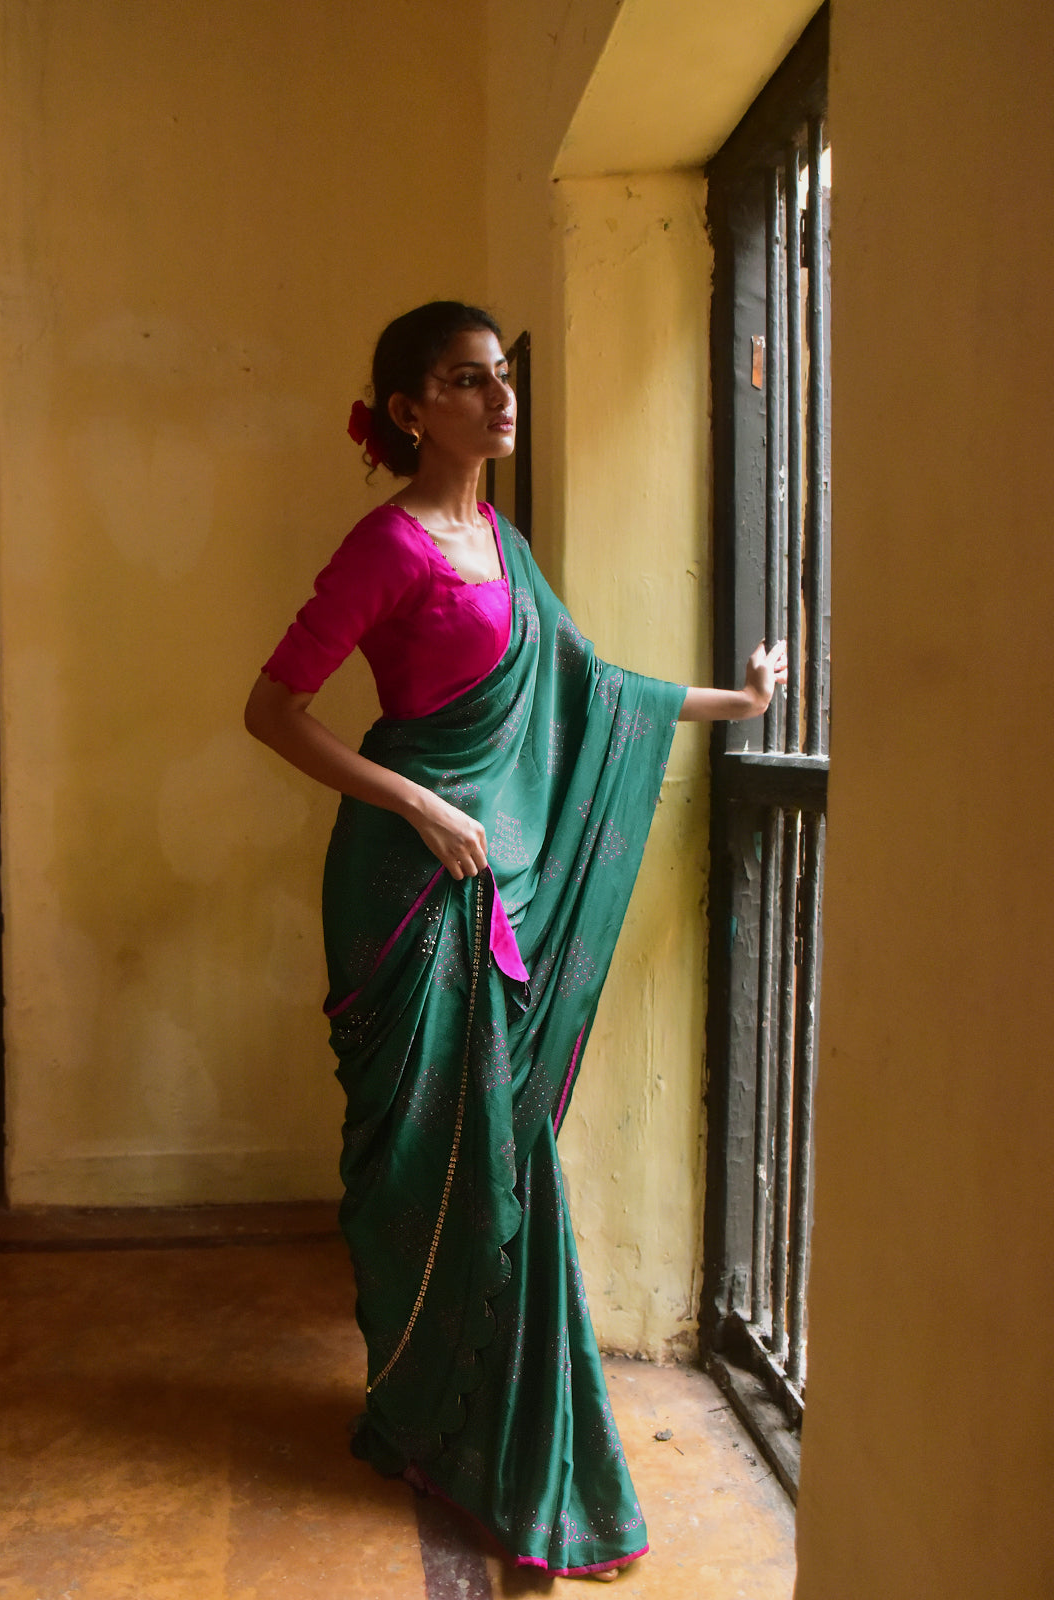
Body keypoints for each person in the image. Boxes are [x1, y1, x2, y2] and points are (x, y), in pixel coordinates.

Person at [245, 301, 787, 1582]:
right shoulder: (386, 546)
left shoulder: (502, 541)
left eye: (502, 375)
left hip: (492, 885)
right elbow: (272, 709)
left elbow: (592, 687)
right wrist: (422, 805)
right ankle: (440, 1417)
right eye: (465, 379)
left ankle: (467, 1425)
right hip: (408, 889)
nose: (501, 398)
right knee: (425, 1165)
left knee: (497, 1152)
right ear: (407, 409)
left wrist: (740, 701)